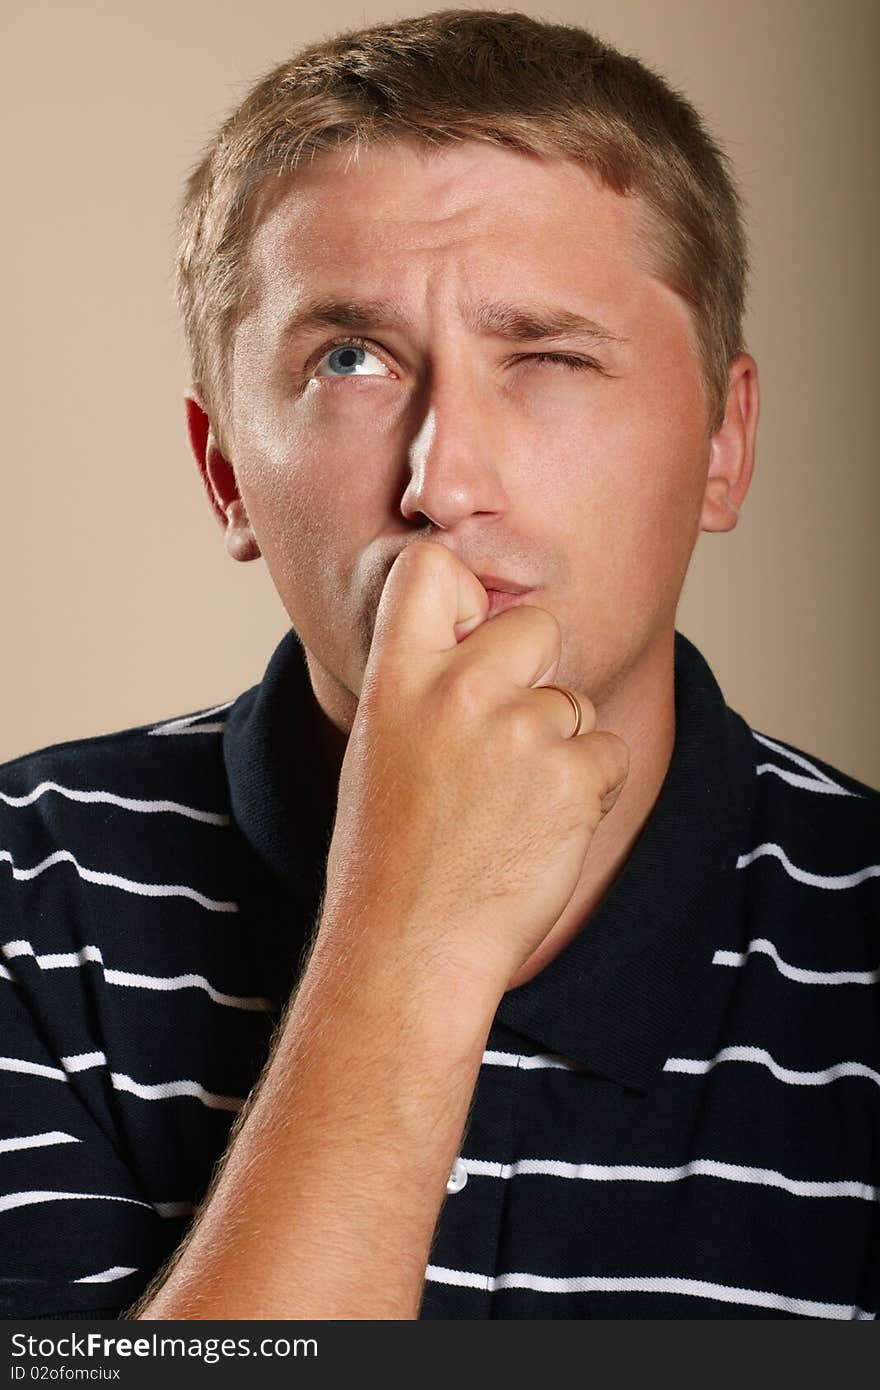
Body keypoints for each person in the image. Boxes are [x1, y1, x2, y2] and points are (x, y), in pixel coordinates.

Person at [1, 8, 878, 1322]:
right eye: (350, 361)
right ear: (225, 472)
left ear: (723, 446)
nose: (444, 481)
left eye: (548, 357)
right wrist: (408, 939)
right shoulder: (29, 890)